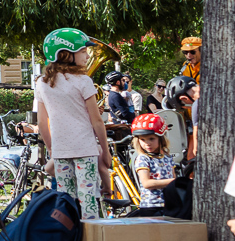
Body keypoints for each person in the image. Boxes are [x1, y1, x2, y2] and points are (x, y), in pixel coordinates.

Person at [33, 28, 113, 220]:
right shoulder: (84, 81)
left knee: (65, 200)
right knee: (88, 199)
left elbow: (42, 122)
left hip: (61, 150)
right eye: (83, 51)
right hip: (85, 148)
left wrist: (52, 148)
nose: (87, 55)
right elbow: (96, 121)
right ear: (66, 53)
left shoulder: (42, 83)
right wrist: (105, 149)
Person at [129, 113, 183, 217]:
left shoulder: (167, 157)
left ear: (161, 138)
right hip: (151, 206)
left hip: (169, 204)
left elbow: (172, 177)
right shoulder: (143, 158)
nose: (147, 143)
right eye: (142, 140)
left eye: (151, 139)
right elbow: (146, 183)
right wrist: (175, 182)